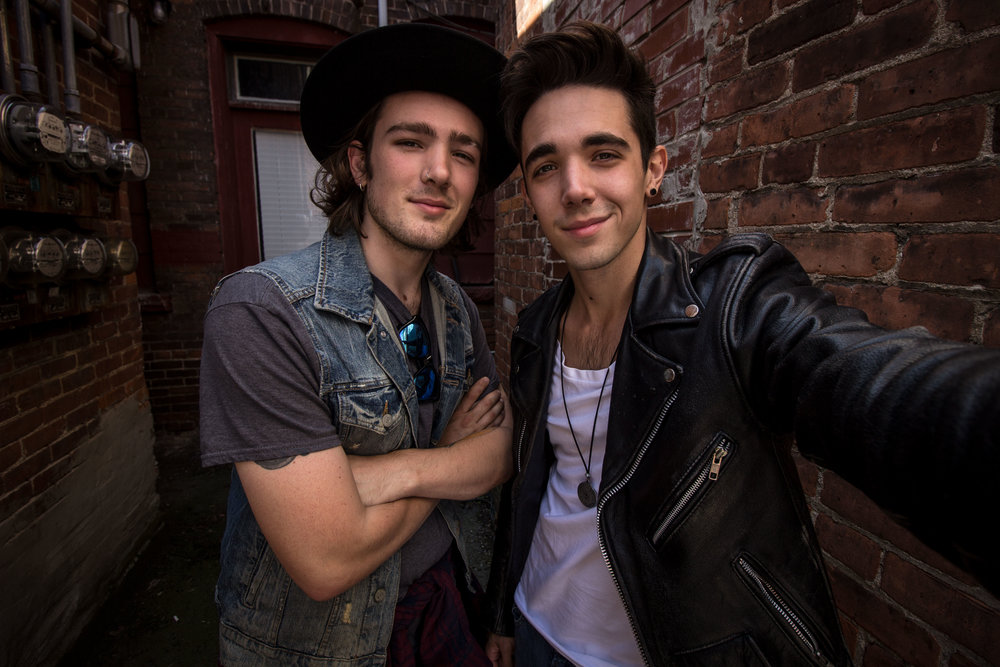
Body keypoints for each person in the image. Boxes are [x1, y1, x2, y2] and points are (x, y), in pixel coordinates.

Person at [484, 21, 1000, 667]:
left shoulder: (731, 305)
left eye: (605, 154)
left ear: (653, 169)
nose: (576, 186)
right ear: (530, 191)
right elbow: (532, 485)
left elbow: (861, 379)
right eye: (546, 166)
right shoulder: (535, 330)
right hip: (537, 627)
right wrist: (503, 610)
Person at [199, 23, 519, 665]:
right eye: (410, 142)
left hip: (449, 604)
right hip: (324, 645)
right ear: (358, 161)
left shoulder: (455, 309)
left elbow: (500, 455)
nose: (438, 172)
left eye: (464, 153)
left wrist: (367, 479)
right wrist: (449, 457)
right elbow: (326, 557)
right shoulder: (262, 311)